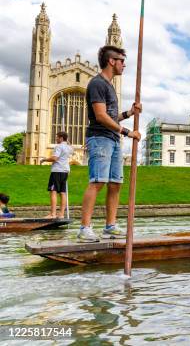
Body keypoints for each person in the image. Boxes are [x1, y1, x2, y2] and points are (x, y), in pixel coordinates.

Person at [77, 45, 142, 242]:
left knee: (115, 184)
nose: (125, 65)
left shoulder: (110, 86)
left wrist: (129, 114)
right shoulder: (97, 83)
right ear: (111, 61)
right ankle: (84, 228)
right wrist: (128, 132)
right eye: (122, 61)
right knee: (97, 181)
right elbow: (101, 116)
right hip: (100, 138)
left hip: (113, 139)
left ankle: (110, 226)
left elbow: (112, 117)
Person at [40, 131, 73, 219]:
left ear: (61, 138)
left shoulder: (58, 146)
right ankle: (61, 214)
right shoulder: (69, 148)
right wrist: (66, 141)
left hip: (57, 170)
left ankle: (53, 214)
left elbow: (55, 158)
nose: (56, 139)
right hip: (65, 171)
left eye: (57, 137)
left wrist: (44, 160)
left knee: (53, 191)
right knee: (62, 192)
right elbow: (69, 146)